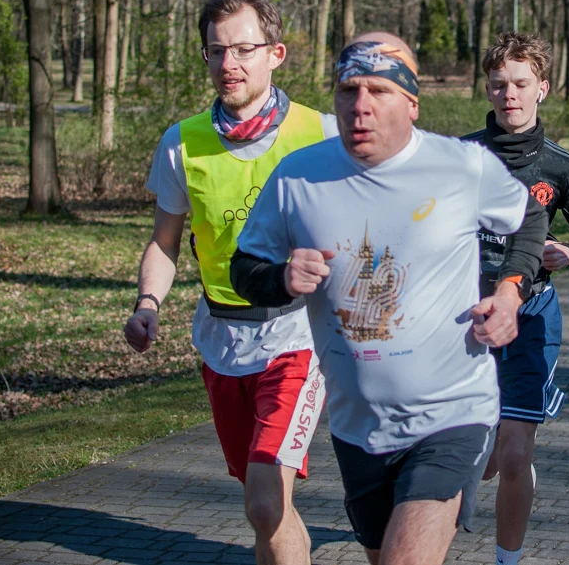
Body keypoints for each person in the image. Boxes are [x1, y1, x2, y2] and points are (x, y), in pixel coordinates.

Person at [229, 32, 549, 565]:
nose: (360, 106)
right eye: (348, 90)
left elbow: (529, 219)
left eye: (378, 90)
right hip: (359, 427)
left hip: (452, 412)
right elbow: (244, 269)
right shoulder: (298, 176)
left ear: (412, 104)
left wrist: (510, 292)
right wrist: (283, 277)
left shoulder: (460, 166)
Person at [122, 0, 338, 565]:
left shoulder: (322, 133)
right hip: (222, 340)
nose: (229, 65)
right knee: (265, 504)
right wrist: (149, 303)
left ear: (276, 53)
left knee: (266, 501)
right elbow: (165, 242)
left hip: (297, 337)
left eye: (243, 49)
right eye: (216, 52)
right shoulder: (182, 142)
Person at [461, 31, 569, 565]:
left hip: (532, 319)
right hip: (466, 318)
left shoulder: (560, 167)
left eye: (521, 83)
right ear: (488, 88)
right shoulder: (462, 156)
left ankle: (507, 560)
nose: (510, 95)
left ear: (542, 87)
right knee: (475, 453)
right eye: (499, 85)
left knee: (516, 451)